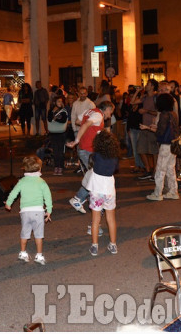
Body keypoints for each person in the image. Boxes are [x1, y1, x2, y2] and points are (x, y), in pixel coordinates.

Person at [74, 130, 119, 258]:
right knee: (111, 218)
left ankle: (94, 246)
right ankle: (113, 244)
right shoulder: (114, 157)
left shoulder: (96, 156)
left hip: (96, 190)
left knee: (95, 219)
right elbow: (115, 169)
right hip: (109, 190)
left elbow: (92, 162)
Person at [67, 101, 115, 213]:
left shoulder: (90, 111)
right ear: (107, 109)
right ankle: (80, 199)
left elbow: (79, 121)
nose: (110, 115)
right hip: (88, 149)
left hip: (84, 148)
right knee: (95, 177)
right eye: (111, 111)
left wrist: (92, 130)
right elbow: (85, 124)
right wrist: (76, 140)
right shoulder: (98, 115)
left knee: (93, 176)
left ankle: (84, 199)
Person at [5, 156, 52, 265]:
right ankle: (39, 256)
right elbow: (48, 197)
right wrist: (48, 211)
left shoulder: (22, 181)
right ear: (39, 169)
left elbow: (13, 193)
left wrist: (8, 203)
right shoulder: (41, 182)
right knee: (39, 235)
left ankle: (22, 252)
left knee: (25, 233)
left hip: (25, 212)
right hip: (38, 212)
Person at [143, 93, 179, 201]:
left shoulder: (164, 114)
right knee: (170, 169)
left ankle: (157, 193)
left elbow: (160, 132)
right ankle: (173, 192)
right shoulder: (174, 114)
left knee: (160, 169)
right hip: (173, 145)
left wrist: (150, 128)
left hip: (165, 145)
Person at [136, 79, 159, 180]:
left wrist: (146, 111)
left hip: (152, 127)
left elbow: (158, 112)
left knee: (153, 151)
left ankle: (155, 172)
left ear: (153, 86)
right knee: (141, 149)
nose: (146, 86)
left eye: (148, 84)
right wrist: (137, 91)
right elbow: (133, 102)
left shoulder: (156, 97)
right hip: (143, 126)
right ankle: (148, 170)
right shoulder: (144, 97)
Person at [47, 96, 69, 175]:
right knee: (55, 151)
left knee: (60, 151)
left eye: (61, 101)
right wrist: (56, 117)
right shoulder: (51, 110)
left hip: (61, 134)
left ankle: (61, 167)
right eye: (58, 101)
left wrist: (55, 118)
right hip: (53, 134)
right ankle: (56, 166)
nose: (60, 103)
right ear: (54, 102)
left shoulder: (63, 111)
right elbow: (49, 119)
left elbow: (63, 120)